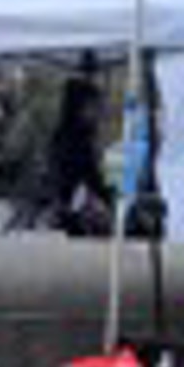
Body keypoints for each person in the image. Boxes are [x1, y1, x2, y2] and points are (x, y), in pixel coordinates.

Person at [44, 52, 115, 238]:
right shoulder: (72, 140)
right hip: (71, 216)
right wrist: (106, 197)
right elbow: (87, 176)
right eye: (92, 107)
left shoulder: (75, 136)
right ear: (79, 107)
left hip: (71, 210)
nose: (96, 113)